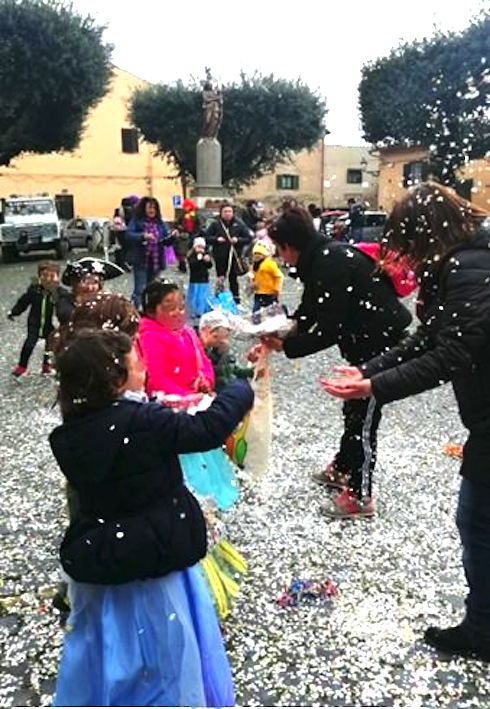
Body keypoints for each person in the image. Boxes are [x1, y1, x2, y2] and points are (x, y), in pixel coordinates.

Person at [321, 181, 490, 661]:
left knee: (477, 520)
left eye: (408, 241)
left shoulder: (469, 266)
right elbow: (428, 336)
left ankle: (482, 629)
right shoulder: (464, 261)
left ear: (427, 232)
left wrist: (375, 388)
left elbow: (451, 353)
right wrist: (370, 369)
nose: (407, 256)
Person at [49, 328, 254, 706]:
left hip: (105, 561)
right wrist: (241, 389)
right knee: (165, 657)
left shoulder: (72, 431)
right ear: (115, 380)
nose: (143, 370)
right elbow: (206, 429)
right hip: (156, 561)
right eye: (137, 364)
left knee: (112, 650)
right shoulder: (142, 422)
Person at [263, 206, 412, 519]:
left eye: (279, 249)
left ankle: (360, 495)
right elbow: (309, 311)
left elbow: (330, 329)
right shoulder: (321, 259)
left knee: (364, 418)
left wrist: (288, 346)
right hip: (366, 344)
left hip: (380, 345)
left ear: (289, 246)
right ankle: (344, 467)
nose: (280, 256)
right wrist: (283, 329)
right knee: (353, 409)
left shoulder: (330, 262)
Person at [8, 261, 64, 377]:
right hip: (34, 323)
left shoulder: (57, 292)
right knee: (29, 344)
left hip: (48, 324)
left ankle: (46, 366)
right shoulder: (34, 290)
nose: (48, 279)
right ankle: (21, 366)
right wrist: (14, 312)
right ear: (39, 277)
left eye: (51, 276)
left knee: (51, 345)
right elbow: (23, 302)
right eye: (44, 276)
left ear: (57, 277)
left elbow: (65, 303)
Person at [125, 196, 170, 309]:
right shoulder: (137, 221)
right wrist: (143, 236)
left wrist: (173, 236)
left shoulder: (160, 223)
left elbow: (166, 240)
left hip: (156, 261)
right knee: (140, 288)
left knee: (153, 288)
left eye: (154, 208)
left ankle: (150, 310)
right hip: (141, 260)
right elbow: (128, 235)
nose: (152, 210)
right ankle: (136, 310)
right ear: (144, 208)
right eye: (149, 207)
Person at [57, 257, 125, 325]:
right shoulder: (65, 302)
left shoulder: (107, 302)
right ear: (75, 283)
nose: (90, 287)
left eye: (95, 282)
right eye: (85, 282)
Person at [206, 202, 252, 304]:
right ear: (221, 213)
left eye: (229, 211)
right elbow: (207, 237)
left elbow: (248, 238)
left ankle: (236, 300)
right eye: (225, 211)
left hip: (234, 256)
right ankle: (218, 299)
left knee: (233, 279)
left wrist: (238, 240)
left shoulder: (239, 224)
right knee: (220, 278)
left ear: (233, 213)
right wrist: (216, 239)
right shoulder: (215, 224)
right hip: (220, 255)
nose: (227, 214)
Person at [199, 310, 254, 393]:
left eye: (225, 337)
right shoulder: (198, 353)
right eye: (216, 337)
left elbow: (235, 369)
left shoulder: (222, 350)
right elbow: (211, 373)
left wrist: (252, 371)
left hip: (228, 388)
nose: (223, 341)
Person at [249, 240, 284, 312]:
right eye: (255, 253)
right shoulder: (253, 266)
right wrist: (252, 282)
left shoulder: (269, 264)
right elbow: (252, 275)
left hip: (270, 293)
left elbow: (279, 276)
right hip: (258, 292)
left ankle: (279, 315)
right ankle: (256, 322)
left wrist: (276, 289)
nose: (257, 255)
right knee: (256, 310)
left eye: (259, 254)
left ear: (264, 255)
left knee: (272, 310)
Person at [186, 236, 213, 321]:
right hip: (195, 279)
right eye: (198, 247)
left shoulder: (206, 255)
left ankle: (201, 311)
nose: (200, 249)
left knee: (203, 296)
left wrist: (207, 261)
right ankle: (192, 311)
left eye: (202, 247)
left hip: (204, 279)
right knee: (194, 296)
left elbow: (210, 266)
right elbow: (193, 265)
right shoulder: (192, 256)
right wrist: (200, 260)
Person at [201, 73, 223, 139]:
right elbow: (206, 99)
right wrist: (215, 98)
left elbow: (220, 100)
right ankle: (205, 135)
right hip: (208, 108)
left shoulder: (214, 92)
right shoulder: (204, 92)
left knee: (215, 122)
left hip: (215, 109)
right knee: (207, 121)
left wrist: (219, 97)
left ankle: (212, 135)